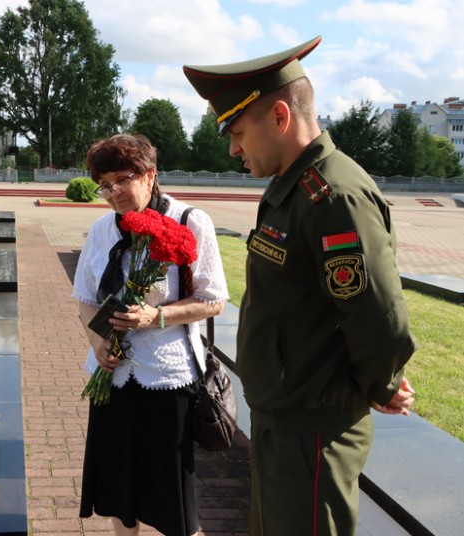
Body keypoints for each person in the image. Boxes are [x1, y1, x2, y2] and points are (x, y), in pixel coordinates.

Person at [183, 36, 417, 535]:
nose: (233, 148)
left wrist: (384, 384)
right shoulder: (292, 187)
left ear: (281, 117)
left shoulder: (333, 195)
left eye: (238, 132)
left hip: (313, 436)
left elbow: (378, 318)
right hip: (281, 426)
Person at [72, 133, 229, 536]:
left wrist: (155, 316)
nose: (113, 192)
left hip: (167, 380)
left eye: (122, 180)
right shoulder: (102, 229)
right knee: (120, 495)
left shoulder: (190, 221)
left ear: (150, 174)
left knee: (173, 500)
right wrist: (99, 342)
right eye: (104, 185)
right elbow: (85, 299)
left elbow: (213, 300)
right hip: (113, 378)